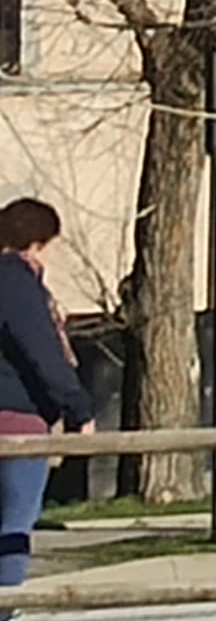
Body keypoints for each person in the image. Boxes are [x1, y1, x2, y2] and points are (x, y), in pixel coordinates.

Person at [0, 198, 93, 595]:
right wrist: (79, 410)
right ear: (35, 244)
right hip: (16, 416)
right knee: (14, 525)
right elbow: (43, 354)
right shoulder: (17, 283)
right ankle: (6, 604)